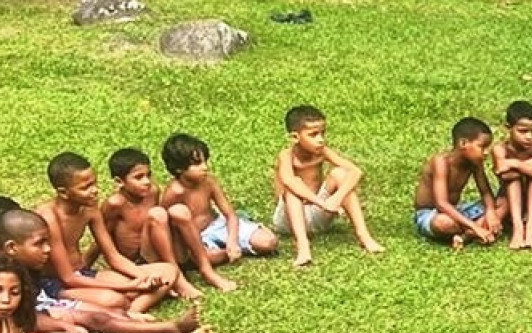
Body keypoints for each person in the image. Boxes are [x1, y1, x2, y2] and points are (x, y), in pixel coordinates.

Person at [0, 208, 209, 333]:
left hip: (44, 307)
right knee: (97, 319)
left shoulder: (27, 266)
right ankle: (172, 329)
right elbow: (19, 318)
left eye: (47, 242)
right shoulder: (2, 274)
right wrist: (62, 324)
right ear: (12, 247)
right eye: (39, 244)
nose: (48, 249)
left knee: (113, 314)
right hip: (37, 315)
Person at [37, 151, 187, 314]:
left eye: (94, 183)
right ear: (64, 192)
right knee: (114, 300)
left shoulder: (89, 208)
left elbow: (113, 257)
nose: (94, 191)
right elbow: (68, 278)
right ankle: (124, 311)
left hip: (84, 274)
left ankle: (132, 312)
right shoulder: (49, 218)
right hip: (56, 283)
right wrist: (128, 285)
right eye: (85, 188)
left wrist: (144, 278)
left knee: (168, 272)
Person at [158, 133, 278, 290]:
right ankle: (223, 254)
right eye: (197, 164)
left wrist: (232, 240)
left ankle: (238, 242)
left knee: (268, 242)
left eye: (205, 161)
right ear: (179, 168)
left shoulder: (208, 182)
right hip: (197, 237)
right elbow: (168, 227)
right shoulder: (174, 192)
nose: (205, 167)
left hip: (217, 224)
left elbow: (229, 214)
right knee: (206, 258)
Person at [273, 103, 383, 266]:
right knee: (293, 186)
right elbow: (289, 181)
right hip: (288, 219)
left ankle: (364, 236)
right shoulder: (286, 156)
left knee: (340, 174)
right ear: (295, 137)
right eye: (313, 134)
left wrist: (336, 199)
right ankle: (303, 247)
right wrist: (322, 203)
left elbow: (355, 172)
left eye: (322, 133)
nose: (320, 140)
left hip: (319, 213)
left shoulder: (322, 151)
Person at [413, 117, 499, 249]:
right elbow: (441, 204)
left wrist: (491, 212)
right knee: (444, 223)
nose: (486, 152)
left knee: (503, 203)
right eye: (482, 147)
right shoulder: (441, 162)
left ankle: (466, 236)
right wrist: (475, 226)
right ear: (463, 143)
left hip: (457, 210)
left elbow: (486, 192)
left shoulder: (475, 163)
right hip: (431, 214)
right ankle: (474, 231)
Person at [491, 101, 532, 250]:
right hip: (509, 205)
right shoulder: (500, 149)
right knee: (513, 179)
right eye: (523, 131)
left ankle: (531, 230)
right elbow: (504, 174)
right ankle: (518, 229)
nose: (529, 136)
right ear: (508, 128)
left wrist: (515, 163)